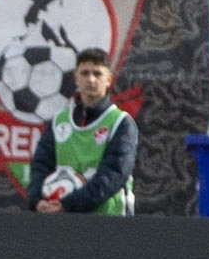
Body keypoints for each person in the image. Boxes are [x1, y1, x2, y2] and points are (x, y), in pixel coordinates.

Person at [25, 48, 138, 216]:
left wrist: (69, 205)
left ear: (109, 80)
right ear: (76, 78)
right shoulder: (58, 121)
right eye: (85, 73)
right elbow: (41, 165)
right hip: (64, 220)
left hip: (110, 223)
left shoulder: (121, 122)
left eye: (97, 74)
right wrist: (37, 201)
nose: (91, 79)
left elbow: (114, 173)